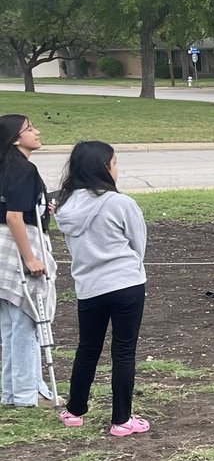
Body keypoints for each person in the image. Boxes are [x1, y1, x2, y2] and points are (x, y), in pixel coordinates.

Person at [53, 141, 150, 435]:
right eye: (115, 163)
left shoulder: (66, 206)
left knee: (88, 347)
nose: (117, 169)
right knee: (123, 351)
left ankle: (75, 410)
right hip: (125, 284)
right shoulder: (121, 203)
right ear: (104, 167)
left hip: (89, 286)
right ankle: (121, 419)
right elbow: (138, 244)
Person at [0, 114, 58, 410]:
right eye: (30, 129)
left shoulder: (7, 167)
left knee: (10, 323)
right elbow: (14, 216)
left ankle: (12, 392)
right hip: (17, 246)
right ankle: (27, 393)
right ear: (15, 139)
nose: (37, 132)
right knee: (28, 320)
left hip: (3, 248)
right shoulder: (23, 169)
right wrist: (31, 257)